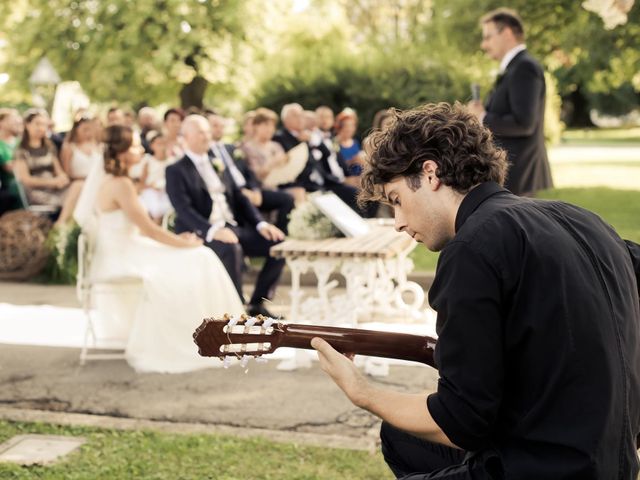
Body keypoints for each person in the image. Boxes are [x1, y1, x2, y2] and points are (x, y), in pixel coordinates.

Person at [311, 102, 640, 479]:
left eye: (397, 201)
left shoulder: (473, 246)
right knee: (403, 438)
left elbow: (462, 423)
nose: (398, 223)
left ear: (429, 173)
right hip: (614, 461)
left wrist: (362, 393)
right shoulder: (582, 219)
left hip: (544, 467)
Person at [73, 125, 244, 373]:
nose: (141, 148)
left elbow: (145, 231)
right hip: (124, 256)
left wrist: (180, 242)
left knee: (199, 256)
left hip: (126, 248)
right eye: (134, 145)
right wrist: (183, 243)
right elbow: (149, 230)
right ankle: (207, 335)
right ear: (121, 153)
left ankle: (214, 332)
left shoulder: (118, 181)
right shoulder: (120, 184)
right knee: (199, 256)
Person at [165, 115, 286, 318]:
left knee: (278, 245)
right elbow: (183, 209)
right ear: (186, 137)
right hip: (201, 231)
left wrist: (261, 224)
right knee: (232, 249)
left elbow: (239, 197)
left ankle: (257, 303)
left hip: (232, 226)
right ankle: (237, 311)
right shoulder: (175, 170)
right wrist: (213, 231)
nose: (207, 136)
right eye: (201, 132)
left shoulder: (217, 162)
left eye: (207, 132)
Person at [467, 8, 553, 197]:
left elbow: (524, 124)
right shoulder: (516, 67)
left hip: (519, 174)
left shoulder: (524, 67)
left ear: (506, 33)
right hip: (513, 174)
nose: (484, 44)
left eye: (488, 37)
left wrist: (482, 116)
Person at [206, 111, 294, 234]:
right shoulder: (206, 154)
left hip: (251, 190)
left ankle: (280, 233)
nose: (220, 129)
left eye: (221, 126)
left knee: (287, 199)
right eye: (215, 126)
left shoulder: (231, 148)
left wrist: (255, 189)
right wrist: (243, 192)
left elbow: (248, 173)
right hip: (235, 194)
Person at [13, 109, 83, 226]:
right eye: (37, 124)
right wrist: (52, 182)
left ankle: (66, 226)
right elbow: (26, 180)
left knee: (79, 186)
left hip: (54, 188)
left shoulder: (49, 146)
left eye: (44, 124)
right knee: (73, 200)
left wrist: (62, 178)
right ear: (27, 125)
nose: (41, 128)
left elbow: (59, 171)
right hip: (36, 192)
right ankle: (61, 226)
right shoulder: (21, 151)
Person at [60, 113, 102, 180]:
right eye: (85, 129)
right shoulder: (69, 147)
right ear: (76, 130)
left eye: (90, 129)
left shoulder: (97, 145)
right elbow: (66, 174)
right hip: (78, 184)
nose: (88, 133)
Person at [334, 108, 365, 177]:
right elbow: (333, 164)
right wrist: (352, 161)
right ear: (339, 126)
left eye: (352, 126)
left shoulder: (355, 142)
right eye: (346, 125)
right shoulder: (334, 143)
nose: (349, 129)